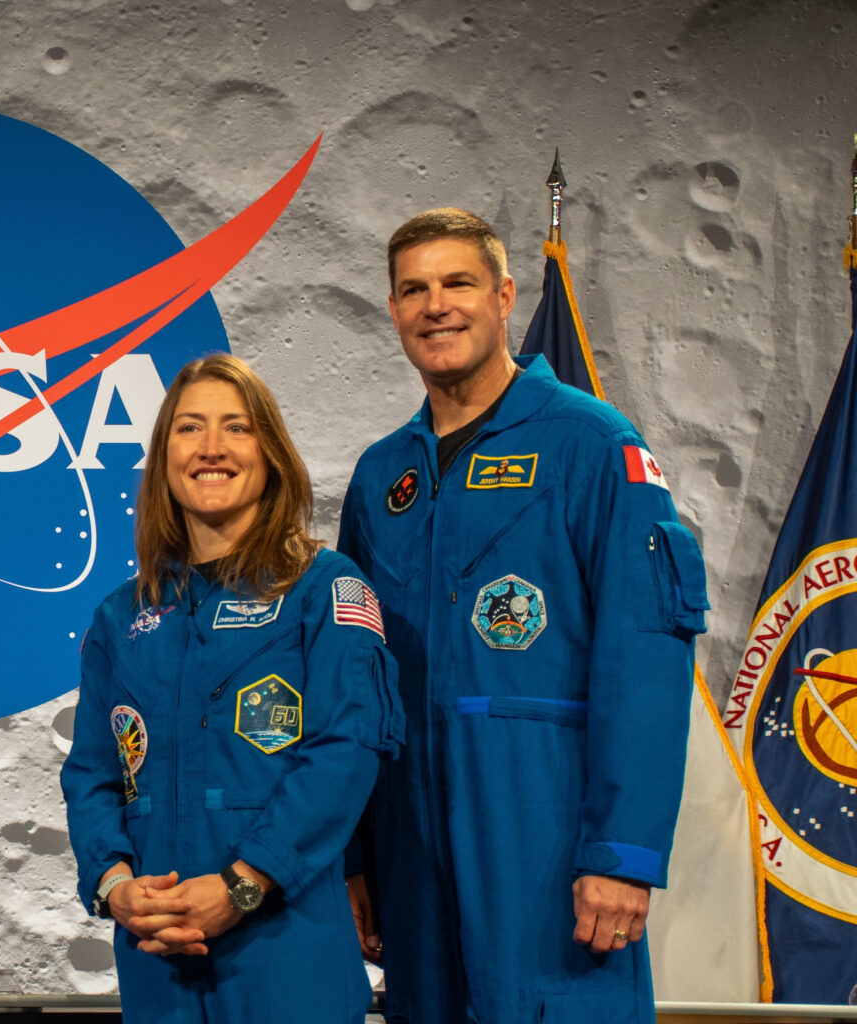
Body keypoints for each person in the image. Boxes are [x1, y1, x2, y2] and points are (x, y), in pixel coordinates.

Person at [338, 208, 709, 1023]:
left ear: (504, 296)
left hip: (544, 840)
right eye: (414, 290)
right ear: (394, 311)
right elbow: (355, 683)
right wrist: (357, 859)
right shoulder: (380, 480)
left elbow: (646, 657)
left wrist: (622, 852)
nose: (437, 305)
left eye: (458, 283)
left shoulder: (590, 444)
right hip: (410, 849)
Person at [61, 353, 404, 1021]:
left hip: (285, 947)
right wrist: (116, 887)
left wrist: (243, 888)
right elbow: (92, 776)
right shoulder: (122, 617)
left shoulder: (324, 590)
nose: (211, 448)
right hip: (159, 953)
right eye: (190, 429)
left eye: (236, 428)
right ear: (164, 457)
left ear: (271, 453)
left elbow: (346, 751)